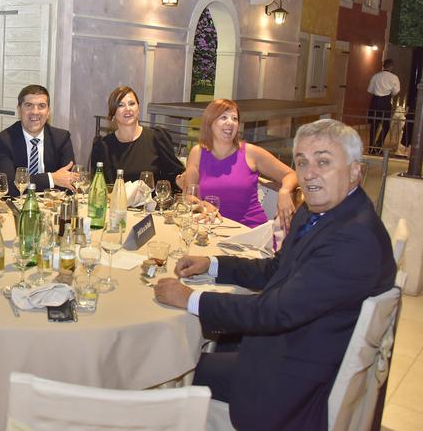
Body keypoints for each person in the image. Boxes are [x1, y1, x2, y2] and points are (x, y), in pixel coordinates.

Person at [154, 119, 395, 431]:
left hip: (296, 382)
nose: (309, 174)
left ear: (354, 172)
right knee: (202, 345)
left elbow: (274, 311)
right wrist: (213, 263)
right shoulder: (319, 212)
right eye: (302, 162)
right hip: (297, 347)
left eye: (323, 162)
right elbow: (275, 270)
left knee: (169, 366)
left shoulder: (354, 239)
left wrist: (190, 298)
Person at [176, 99, 298, 229]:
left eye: (234, 119)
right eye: (224, 117)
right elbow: (189, 195)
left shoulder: (251, 153)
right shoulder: (197, 153)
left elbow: (291, 174)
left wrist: (285, 191)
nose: (230, 122)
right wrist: (203, 205)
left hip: (249, 231)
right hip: (210, 228)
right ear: (210, 122)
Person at [0, 84, 77, 196]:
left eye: (41, 106)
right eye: (28, 105)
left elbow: (69, 181)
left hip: (52, 203)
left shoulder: (61, 138)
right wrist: (52, 178)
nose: (35, 112)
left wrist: (29, 182)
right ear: (19, 110)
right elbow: (9, 187)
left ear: (48, 112)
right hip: (16, 204)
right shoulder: (3, 140)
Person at [89, 85, 184, 186]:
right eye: (121, 105)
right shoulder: (103, 146)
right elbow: (99, 186)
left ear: (138, 108)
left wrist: (184, 179)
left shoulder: (157, 138)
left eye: (132, 104)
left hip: (152, 196)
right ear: (113, 113)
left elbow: (174, 175)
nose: (128, 109)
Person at [367, 58, 400, 155]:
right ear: (392, 67)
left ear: (383, 66)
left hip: (375, 102)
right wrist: (389, 93)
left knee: (374, 125)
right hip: (385, 102)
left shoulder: (375, 76)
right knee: (385, 125)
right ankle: (379, 146)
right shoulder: (394, 78)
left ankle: (371, 147)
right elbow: (396, 91)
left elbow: (369, 90)